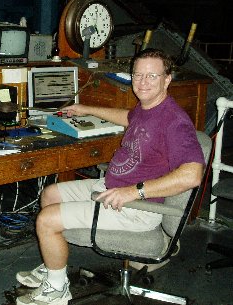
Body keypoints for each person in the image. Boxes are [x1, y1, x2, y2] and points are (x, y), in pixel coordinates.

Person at [15, 48, 205, 305]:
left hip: (137, 207)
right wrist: (87, 109)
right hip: (111, 186)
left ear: (167, 79)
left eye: (151, 76)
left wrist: (133, 191)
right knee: (49, 193)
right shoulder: (147, 107)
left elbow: (192, 175)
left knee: (47, 220)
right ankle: (53, 268)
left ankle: (58, 290)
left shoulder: (174, 121)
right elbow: (128, 117)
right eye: (138, 75)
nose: (142, 83)